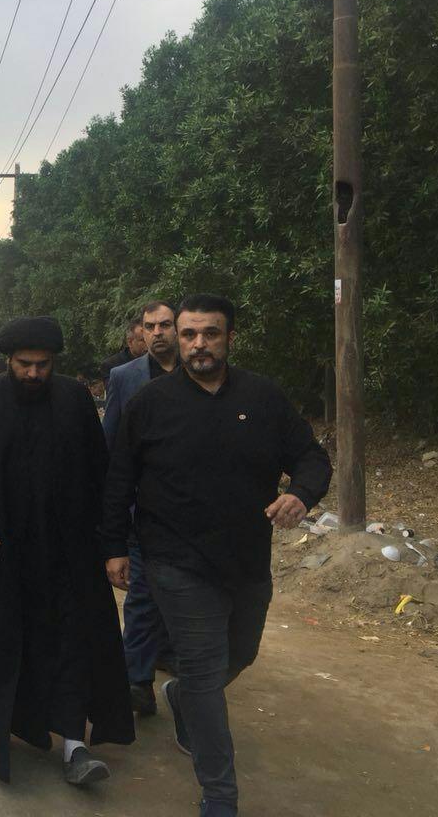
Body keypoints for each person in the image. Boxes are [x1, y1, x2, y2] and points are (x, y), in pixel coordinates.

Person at [100, 294, 331, 817]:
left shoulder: (263, 397)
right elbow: (119, 481)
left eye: (210, 334)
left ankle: (181, 696)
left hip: (246, 559)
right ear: (177, 339)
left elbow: (311, 457)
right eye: (189, 334)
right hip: (173, 561)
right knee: (205, 672)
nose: (198, 344)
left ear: (229, 338)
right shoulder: (150, 404)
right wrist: (113, 547)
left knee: (240, 654)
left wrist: (301, 494)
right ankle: (221, 795)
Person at [0, 316, 133, 787]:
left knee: (71, 639)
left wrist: (111, 543)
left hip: (68, 552)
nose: (33, 373)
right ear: (7, 361)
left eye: (43, 365)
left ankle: (75, 744)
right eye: (24, 364)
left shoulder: (74, 398)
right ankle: (0, 735)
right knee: (5, 645)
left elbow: (99, 472)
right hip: (1, 553)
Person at [101, 300, 179, 717]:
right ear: (141, 333)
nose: (158, 333)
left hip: (189, 512)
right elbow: (110, 445)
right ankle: (138, 681)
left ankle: (178, 668)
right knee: (142, 597)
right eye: (151, 326)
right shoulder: (124, 377)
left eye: (165, 324)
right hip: (140, 509)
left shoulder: (199, 372)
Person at [99, 317, 147, 382]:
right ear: (130, 342)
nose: (148, 343)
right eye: (143, 340)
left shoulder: (157, 358)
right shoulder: (112, 366)